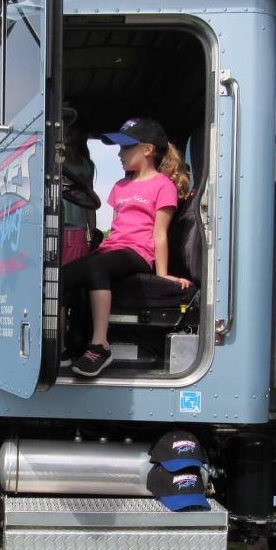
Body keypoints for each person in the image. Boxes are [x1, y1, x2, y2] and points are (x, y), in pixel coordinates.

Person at [63, 117, 191, 377]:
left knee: (96, 267)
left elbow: (160, 234)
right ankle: (66, 346)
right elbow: (116, 228)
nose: (120, 154)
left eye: (126, 148)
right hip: (113, 249)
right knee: (62, 275)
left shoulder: (162, 186)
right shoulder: (119, 187)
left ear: (147, 150)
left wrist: (162, 274)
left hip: (138, 253)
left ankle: (100, 345)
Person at [60, 113, 100, 265]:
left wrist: (93, 230)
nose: (68, 130)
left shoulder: (86, 165)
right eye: (66, 125)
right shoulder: (52, 159)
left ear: (82, 133)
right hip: (56, 226)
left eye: (74, 126)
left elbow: (90, 201)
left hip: (79, 230)